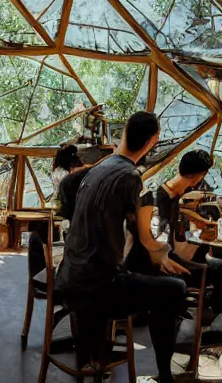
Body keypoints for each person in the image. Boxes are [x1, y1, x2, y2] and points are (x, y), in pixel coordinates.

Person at [55, 112, 188, 383]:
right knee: (175, 289)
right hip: (96, 288)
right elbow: (142, 238)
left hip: (69, 275)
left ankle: (97, 351)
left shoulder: (98, 168)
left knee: (147, 279)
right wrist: (161, 252)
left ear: (124, 132)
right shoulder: (130, 176)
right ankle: (165, 375)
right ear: (153, 140)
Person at [149, 149, 222, 332]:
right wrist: (199, 227)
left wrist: (200, 222)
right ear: (197, 175)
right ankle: (208, 312)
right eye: (203, 175)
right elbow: (172, 237)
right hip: (181, 263)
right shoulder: (166, 198)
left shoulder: (179, 191)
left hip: (191, 255)